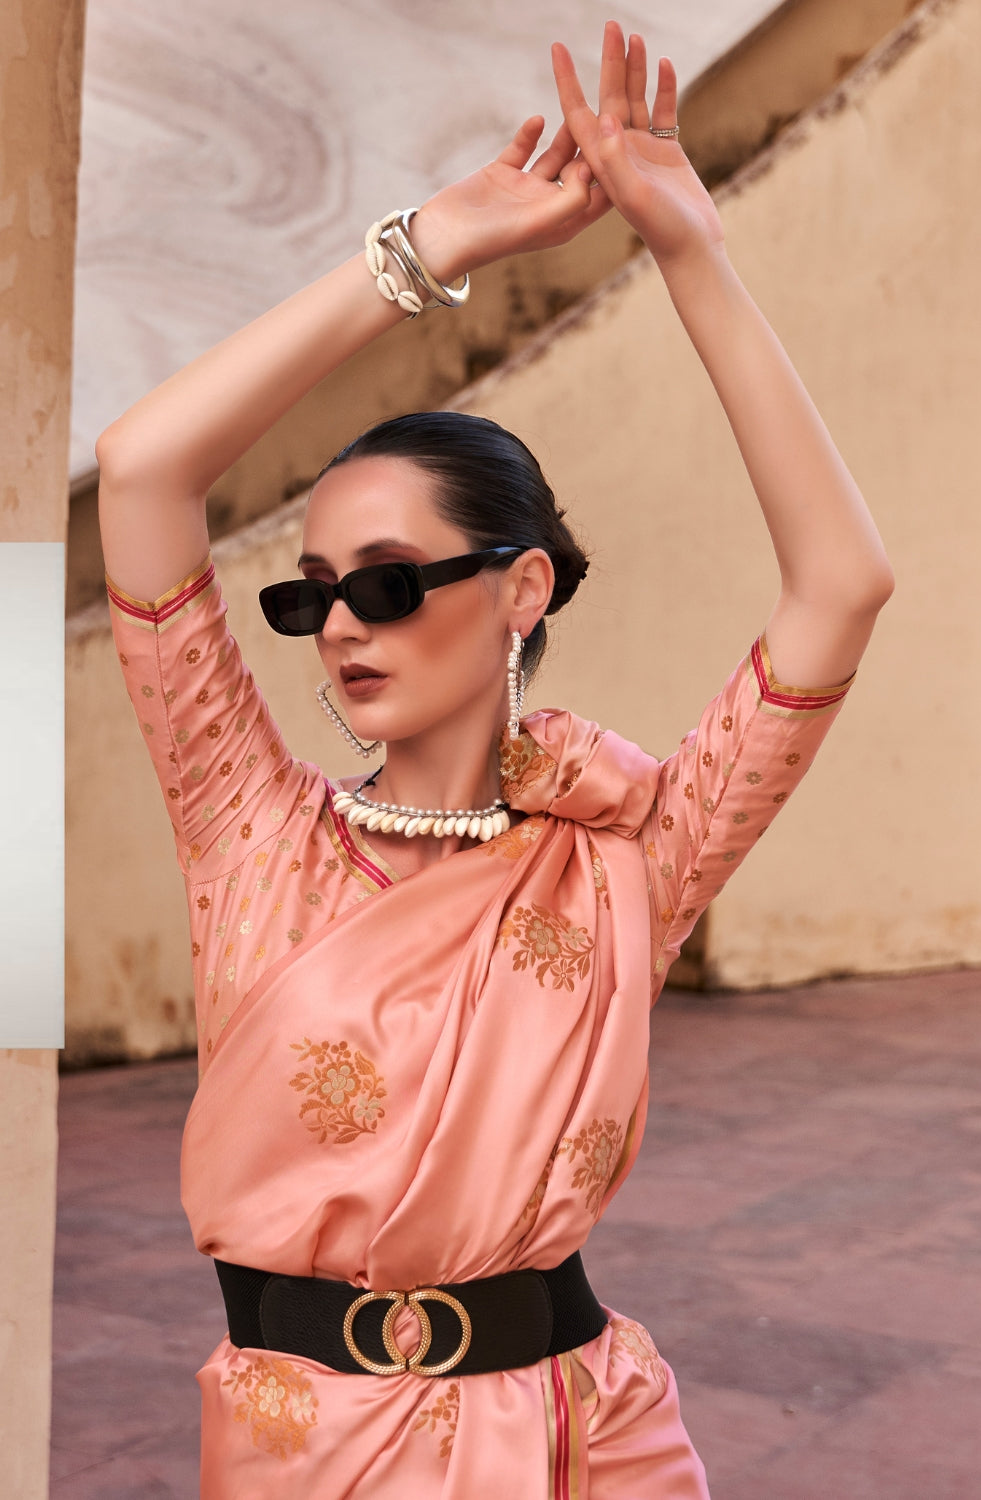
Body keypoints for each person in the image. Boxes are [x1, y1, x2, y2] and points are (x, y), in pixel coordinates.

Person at [96, 23, 893, 1499]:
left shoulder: (628, 857)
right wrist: (423, 250)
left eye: (388, 581)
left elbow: (840, 585)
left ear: (519, 591)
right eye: (310, 592)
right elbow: (144, 472)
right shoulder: (247, 829)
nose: (341, 624)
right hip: (299, 1447)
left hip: (585, 1441)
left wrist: (691, 254)